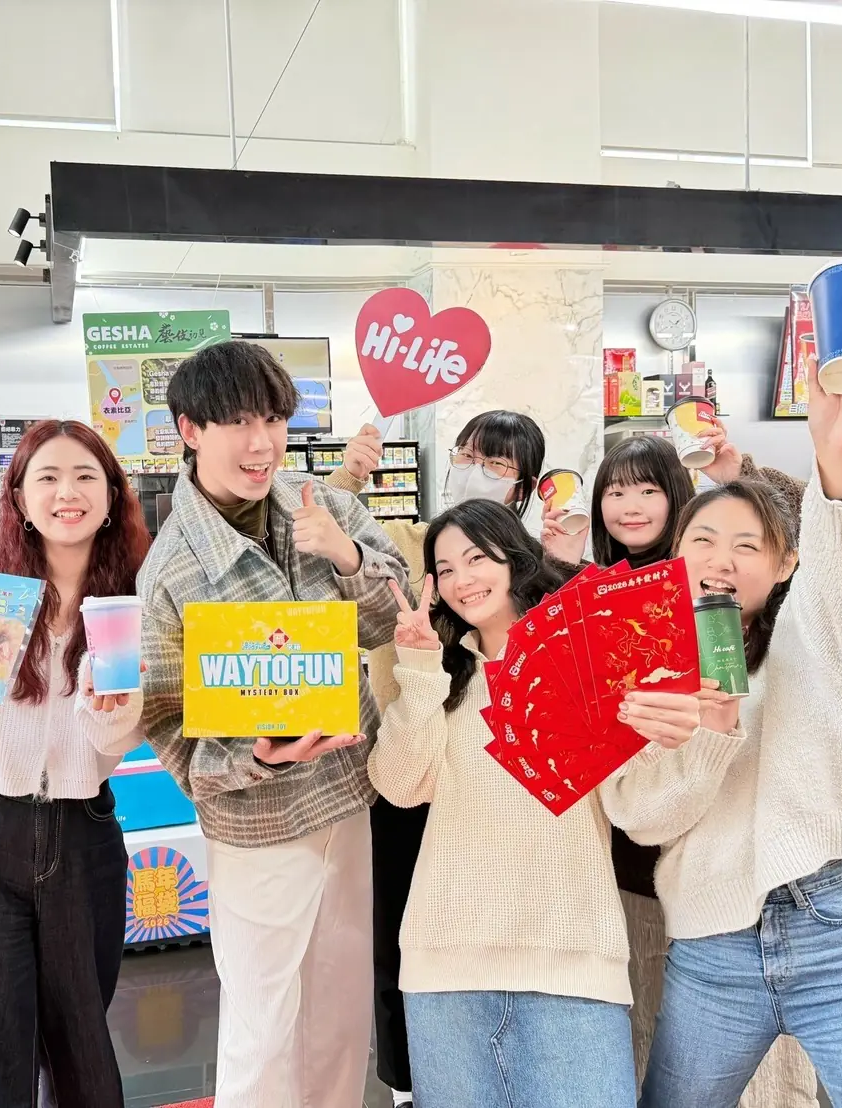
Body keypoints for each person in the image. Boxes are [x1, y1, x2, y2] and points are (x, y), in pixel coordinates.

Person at [602, 346, 842, 1108]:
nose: (720, 560)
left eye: (746, 545)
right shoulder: (643, 666)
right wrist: (709, 735)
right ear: (673, 557)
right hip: (711, 940)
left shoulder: (819, 632)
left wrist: (835, 451)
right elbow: (640, 815)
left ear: (787, 564)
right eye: (701, 541)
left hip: (839, 925)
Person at [138, 340, 409, 1107]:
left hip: (347, 798)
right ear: (190, 430)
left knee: (338, 1015)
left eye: (273, 420)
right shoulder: (171, 570)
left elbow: (394, 619)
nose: (261, 443)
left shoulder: (323, 506)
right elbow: (167, 727)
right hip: (258, 824)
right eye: (238, 423)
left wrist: (348, 557)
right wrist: (253, 757)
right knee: (260, 1025)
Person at [541, 425, 817, 1108]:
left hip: (736, 867)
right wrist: (555, 570)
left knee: (751, 1057)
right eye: (614, 492)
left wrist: (738, 471)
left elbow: (801, 536)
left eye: (646, 490)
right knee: (651, 1034)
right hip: (631, 854)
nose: (629, 506)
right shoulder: (594, 587)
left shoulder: (738, 601)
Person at [0, 419, 151, 1108]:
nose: (66, 492)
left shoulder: (132, 601)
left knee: (82, 1048)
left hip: (84, 834)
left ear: (112, 496)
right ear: (18, 497)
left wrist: (109, 712)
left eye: (84, 477)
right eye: (47, 477)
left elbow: (119, 741)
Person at [372, 497, 639, 1107]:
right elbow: (400, 786)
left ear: (515, 557)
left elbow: (632, 803)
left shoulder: (583, 660)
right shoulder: (444, 678)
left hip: (572, 962)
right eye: (445, 569)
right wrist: (420, 669)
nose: (462, 580)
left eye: (476, 558)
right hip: (447, 966)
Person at [326, 410, 546, 1106]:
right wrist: (349, 474)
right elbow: (330, 540)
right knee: (398, 930)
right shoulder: (411, 541)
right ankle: (408, 1081)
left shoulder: (534, 566)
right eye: (466, 454)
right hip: (406, 766)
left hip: (493, 786)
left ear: (523, 487)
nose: (474, 469)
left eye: (497, 463)